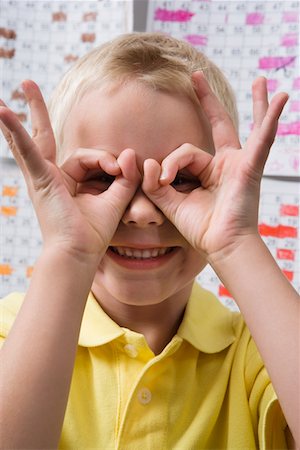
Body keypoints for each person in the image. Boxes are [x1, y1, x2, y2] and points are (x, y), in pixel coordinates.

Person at [0, 32, 298, 450]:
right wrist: (68, 251)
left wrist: (236, 241)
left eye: (182, 178)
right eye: (103, 178)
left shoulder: (262, 353)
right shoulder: (11, 334)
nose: (142, 212)